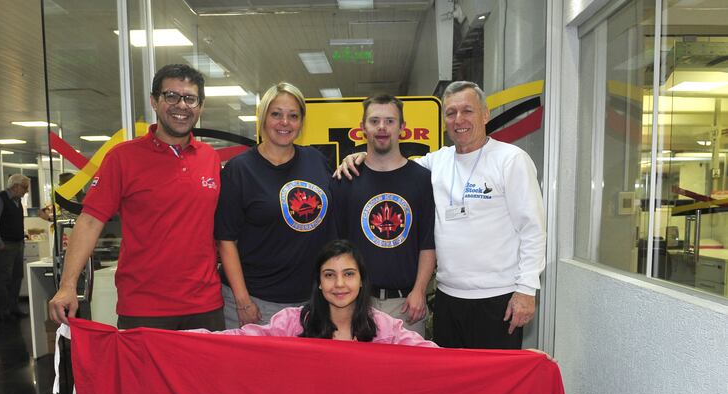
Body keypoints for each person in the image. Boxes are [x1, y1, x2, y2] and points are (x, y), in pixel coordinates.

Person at [335, 81, 545, 349]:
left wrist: (526, 290)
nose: (459, 120)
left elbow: (532, 229)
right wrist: (359, 156)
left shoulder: (510, 159)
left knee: (493, 375)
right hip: (448, 298)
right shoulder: (436, 162)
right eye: (451, 113)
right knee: (449, 374)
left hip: (497, 298)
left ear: (485, 114)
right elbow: (392, 166)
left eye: (467, 111)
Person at [48, 64, 224, 331]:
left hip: (205, 305)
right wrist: (67, 285)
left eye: (190, 98)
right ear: (154, 101)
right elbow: (90, 221)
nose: (181, 105)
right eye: (171, 96)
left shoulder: (210, 158)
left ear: (200, 106)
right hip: (144, 308)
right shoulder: (122, 158)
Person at [215, 82, 335, 329]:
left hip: (311, 301)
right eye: (276, 114)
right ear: (263, 117)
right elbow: (226, 240)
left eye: (293, 116)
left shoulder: (315, 160)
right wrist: (243, 301)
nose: (285, 122)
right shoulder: (240, 169)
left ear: (301, 122)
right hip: (256, 302)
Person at [333, 94, 435, 336]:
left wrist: (420, 290)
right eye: (374, 121)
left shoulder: (422, 179)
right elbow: (336, 246)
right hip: (356, 303)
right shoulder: (346, 179)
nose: (382, 127)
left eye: (390, 121)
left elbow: (428, 243)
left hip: (407, 305)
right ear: (362, 128)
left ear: (402, 128)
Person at [217, 239, 436, 347]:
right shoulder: (292, 323)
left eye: (349, 274)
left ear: (361, 281)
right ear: (319, 283)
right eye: (329, 275)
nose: (339, 284)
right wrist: (196, 340)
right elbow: (241, 341)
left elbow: (431, 356)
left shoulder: (384, 328)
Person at [0, 174, 30, 320]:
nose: (26, 191)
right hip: (5, 245)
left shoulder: (18, 202)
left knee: (17, 277)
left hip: (18, 244)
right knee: (3, 278)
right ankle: (2, 311)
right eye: (24, 187)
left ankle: (13, 307)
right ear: (16, 186)